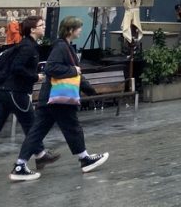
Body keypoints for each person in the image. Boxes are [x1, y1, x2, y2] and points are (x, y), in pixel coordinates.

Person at [9, 17, 109, 181]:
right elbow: (52, 68)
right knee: (72, 127)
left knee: (36, 133)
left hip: (50, 98)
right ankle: (85, 159)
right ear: (70, 30)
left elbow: (76, 73)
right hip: (58, 98)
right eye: (78, 28)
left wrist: (89, 89)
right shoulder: (61, 46)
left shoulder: (65, 47)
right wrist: (73, 70)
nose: (80, 30)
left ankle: (20, 165)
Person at [0, 17, 59, 177]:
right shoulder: (28, 47)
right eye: (41, 25)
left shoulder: (25, 45)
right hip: (16, 93)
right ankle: (33, 159)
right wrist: (36, 77)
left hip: (2, 91)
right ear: (32, 29)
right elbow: (17, 68)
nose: (44, 27)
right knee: (32, 126)